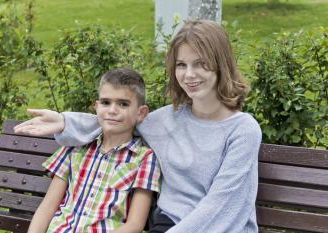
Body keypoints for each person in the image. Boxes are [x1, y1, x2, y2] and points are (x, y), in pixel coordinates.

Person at [15, 20, 262, 233]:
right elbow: (118, 121)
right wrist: (65, 122)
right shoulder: (165, 120)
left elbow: (223, 205)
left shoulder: (242, 130)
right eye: (181, 65)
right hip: (167, 224)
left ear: (221, 64)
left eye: (200, 64)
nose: (189, 75)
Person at [25, 68, 161, 233]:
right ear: (96, 107)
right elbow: (47, 207)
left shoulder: (144, 158)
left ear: (141, 113)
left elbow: (134, 225)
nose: (112, 110)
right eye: (105, 102)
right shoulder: (76, 147)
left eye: (123, 104)